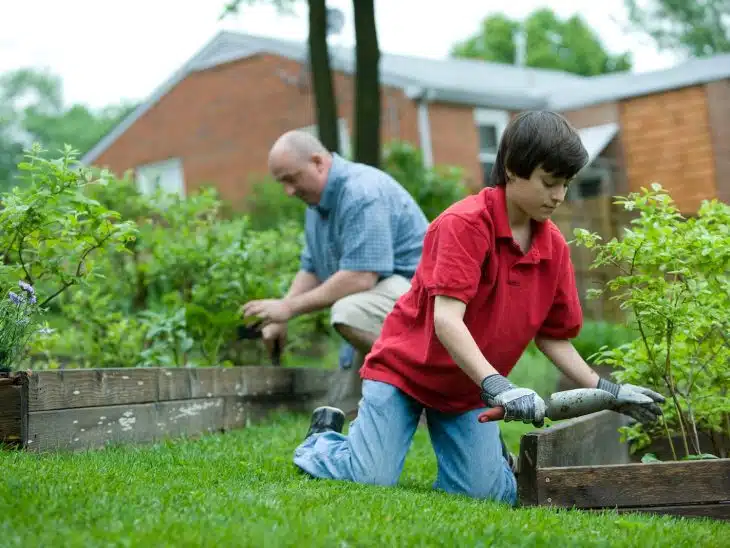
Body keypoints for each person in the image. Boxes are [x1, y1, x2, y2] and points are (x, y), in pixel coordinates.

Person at [291, 110, 666, 505]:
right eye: (549, 183)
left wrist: (611, 391)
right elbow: (447, 321)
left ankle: (490, 462)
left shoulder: (552, 247)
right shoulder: (463, 225)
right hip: (404, 374)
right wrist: (500, 387)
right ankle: (323, 440)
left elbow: (553, 338)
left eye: (566, 184)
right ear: (511, 169)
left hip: (468, 389)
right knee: (369, 477)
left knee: (486, 495)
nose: (559, 196)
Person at [241, 130, 430, 411]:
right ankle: (391, 405)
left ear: (318, 162)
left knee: (349, 312)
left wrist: (290, 308)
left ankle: (430, 389)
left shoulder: (361, 192)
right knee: (347, 407)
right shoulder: (316, 205)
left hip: (421, 297)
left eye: (291, 179)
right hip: (384, 299)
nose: (288, 191)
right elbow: (312, 267)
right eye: (282, 183)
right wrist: (280, 313)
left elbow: (361, 276)